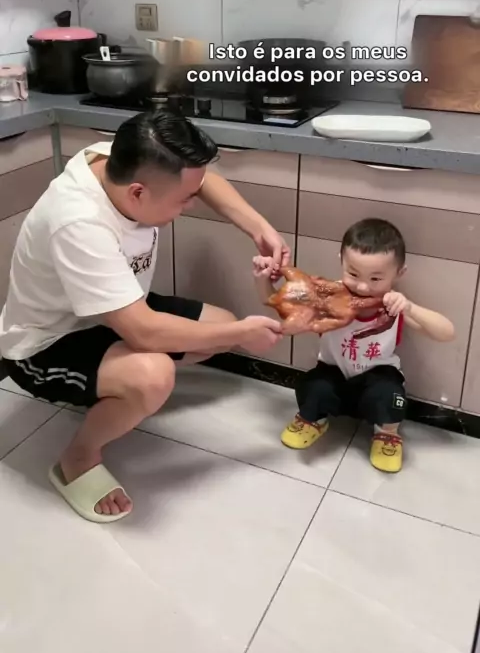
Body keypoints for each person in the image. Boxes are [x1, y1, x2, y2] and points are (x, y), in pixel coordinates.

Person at [0, 109, 289, 523]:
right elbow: (144, 332)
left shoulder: (120, 158)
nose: (190, 205)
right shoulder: (78, 221)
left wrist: (259, 228)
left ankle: (114, 393)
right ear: (137, 193)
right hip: (46, 342)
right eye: (182, 200)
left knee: (219, 327)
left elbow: (201, 180)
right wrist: (243, 333)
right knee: (155, 375)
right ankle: (78, 458)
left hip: (111, 311)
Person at [253, 218, 455, 473]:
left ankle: (387, 433)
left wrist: (410, 307)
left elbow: (447, 332)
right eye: (353, 274)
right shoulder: (326, 297)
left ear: (399, 273)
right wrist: (262, 280)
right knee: (312, 386)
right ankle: (315, 419)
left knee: (390, 395)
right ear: (341, 261)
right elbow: (276, 302)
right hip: (334, 374)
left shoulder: (394, 306)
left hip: (376, 378)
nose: (362, 286)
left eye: (376, 278)